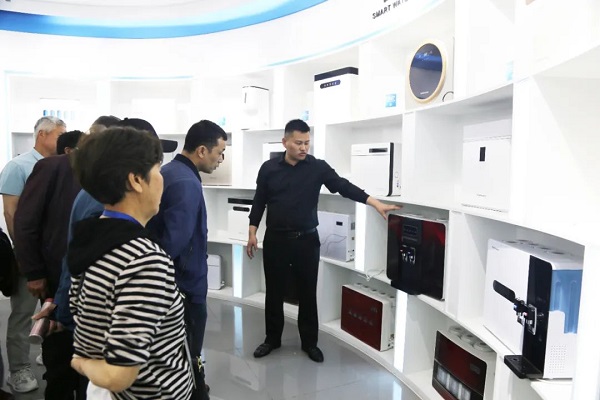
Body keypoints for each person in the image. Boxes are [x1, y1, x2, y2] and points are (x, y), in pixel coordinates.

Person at [247, 119, 400, 363]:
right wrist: (252, 231)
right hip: (276, 240)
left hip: (307, 241)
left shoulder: (317, 167)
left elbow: (343, 186)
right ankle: (272, 339)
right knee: (274, 292)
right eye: (298, 143)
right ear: (285, 142)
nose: (304, 148)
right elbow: (259, 201)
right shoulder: (268, 168)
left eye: (307, 143)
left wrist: (373, 202)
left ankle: (310, 343)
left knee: (308, 293)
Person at [67, 126, 192, 399]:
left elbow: (81, 313)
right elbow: (119, 375)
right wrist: (80, 363)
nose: (162, 179)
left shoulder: (91, 239)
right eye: (158, 169)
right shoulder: (144, 260)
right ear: (136, 180)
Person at [147, 120, 227, 396]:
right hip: (185, 286)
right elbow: (174, 242)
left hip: (176, 283)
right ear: (202, 150)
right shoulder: (186, 183)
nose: (220, 160)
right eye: (219, 153)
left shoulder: (170, 171)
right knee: (190, 351)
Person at [12, 129, 84, 399]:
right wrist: (33, 271)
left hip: (90, 282)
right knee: (59, 356)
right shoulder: (53, 167)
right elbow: (25, 220)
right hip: (56, 276)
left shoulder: (110, 174)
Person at [0, 115, 66, 393]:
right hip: (30, 255)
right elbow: (11, 213)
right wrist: (24, 255)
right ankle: (18, 369)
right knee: (23, 313)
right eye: (59, 135)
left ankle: (46, 351)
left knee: (51, 309)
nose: (63, 141)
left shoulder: (62, 166)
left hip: (54, 256)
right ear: (42, 135)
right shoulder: (18, 166)